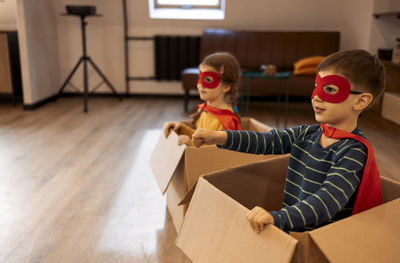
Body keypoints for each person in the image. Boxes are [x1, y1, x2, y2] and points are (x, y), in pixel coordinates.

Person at [192, 49, 385, 233]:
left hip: (319, 242)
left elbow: (326, 202)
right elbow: (267, 141)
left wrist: (279, 218)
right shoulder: (307, 133)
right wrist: (220, 136)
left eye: (330, 89)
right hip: (292, 230)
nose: (316, 96)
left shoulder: (353, 152)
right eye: (316, 86)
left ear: (360, 101)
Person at [164, 52, 242, 146]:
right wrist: (181, 129)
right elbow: (200, 139)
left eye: (208, 80)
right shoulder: (204, 109)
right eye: (200, 78)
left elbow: (215, 155)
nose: (200, 84)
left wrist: (189, 145)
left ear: (225, 87)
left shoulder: (227, 122)